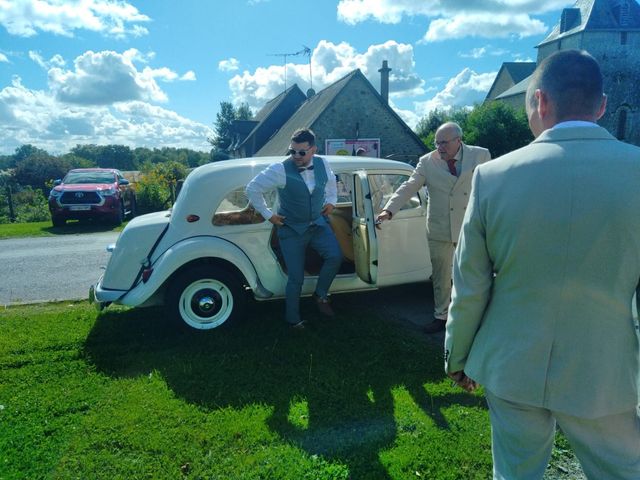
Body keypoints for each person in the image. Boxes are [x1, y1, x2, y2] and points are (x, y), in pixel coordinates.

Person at [445, 49, 640, 479]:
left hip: (512, 363)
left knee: (515, 473)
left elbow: (470, 283)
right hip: (604, 368)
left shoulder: (493, 176)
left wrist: (458, 355)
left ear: (541, 103)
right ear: (603, 106)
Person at [375, 122, 491, 333]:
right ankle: (441, 316)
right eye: (437, 143)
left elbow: (491, 186)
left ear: (458, 140)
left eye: (444, 143)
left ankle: (475, 316)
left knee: (473, 272)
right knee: (441, 275)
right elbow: (408, 186)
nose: (440, 147)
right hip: (440, 227)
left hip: (470, 225)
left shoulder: (481, 155)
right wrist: (388, 210)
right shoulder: (427, 162)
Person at [246, 128, 342, 329]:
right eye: (292, 151)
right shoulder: (279, 170)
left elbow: (332, 184)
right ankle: (293, 319)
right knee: (296, 277)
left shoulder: (323, 163)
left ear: (313, 149)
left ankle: (321, 295)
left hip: (317, 223)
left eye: (301, 152)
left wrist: (331, 202)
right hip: (291, 229)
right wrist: (269, 215)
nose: (296, 156)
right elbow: (252, 188)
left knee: (335, 256)